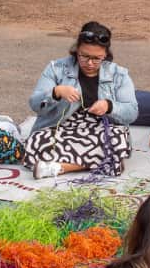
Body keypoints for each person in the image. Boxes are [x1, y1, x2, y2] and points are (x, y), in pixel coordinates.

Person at [26, 22, 138, 179]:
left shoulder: (119, 74)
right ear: (76, 50)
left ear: (105, 55)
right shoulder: (56, 68)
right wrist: (56, 92)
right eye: (84, 56)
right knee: (36, 141)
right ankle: (105, 162)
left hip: (99, 128)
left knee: (118, 139)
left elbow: (132, 112)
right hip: (63, 127)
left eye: (97, 58)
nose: (90, 63)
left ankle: (58, 167)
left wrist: (109, 106)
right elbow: (35, 105)